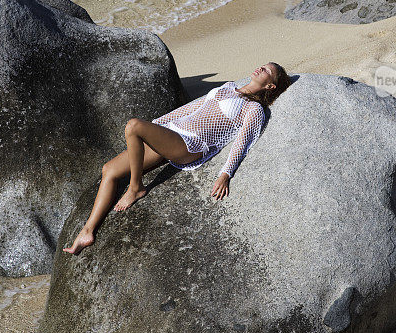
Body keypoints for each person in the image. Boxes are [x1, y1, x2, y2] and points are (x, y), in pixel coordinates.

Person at [62, 62, 292, 255]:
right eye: (262, 65)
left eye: (266, 71)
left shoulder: (254, 110)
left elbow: (243, 143)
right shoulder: (229, 87)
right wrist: (156, 126)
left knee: (133, 126)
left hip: (190, 145)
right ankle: (87, 232)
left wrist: (225, 174)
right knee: (109, 170)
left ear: (270, 85)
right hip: (174, 133)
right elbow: (190, 108)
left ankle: (135, 188)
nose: (260, 68)